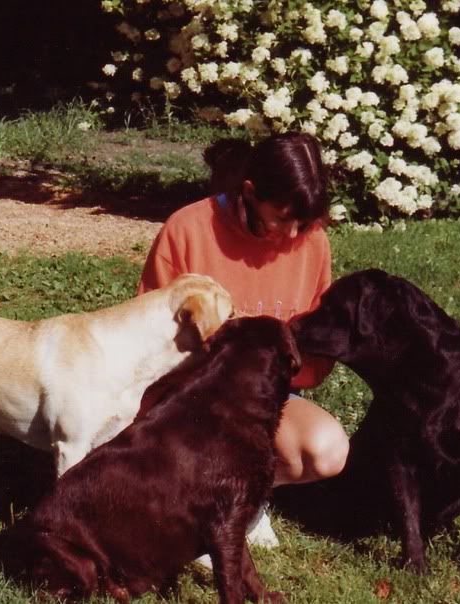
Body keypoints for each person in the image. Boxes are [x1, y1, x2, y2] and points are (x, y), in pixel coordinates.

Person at [137, 132, 349, 548]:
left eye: (303, 224)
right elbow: (150, 341)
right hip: (189, 400)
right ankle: (189, 509)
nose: (291, 235)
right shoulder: (188, 229)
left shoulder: (314, 243)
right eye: (281, 218)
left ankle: (239, 498)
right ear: (249, 193)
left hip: (261, 403)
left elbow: (316, 352)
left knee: (326, 450)